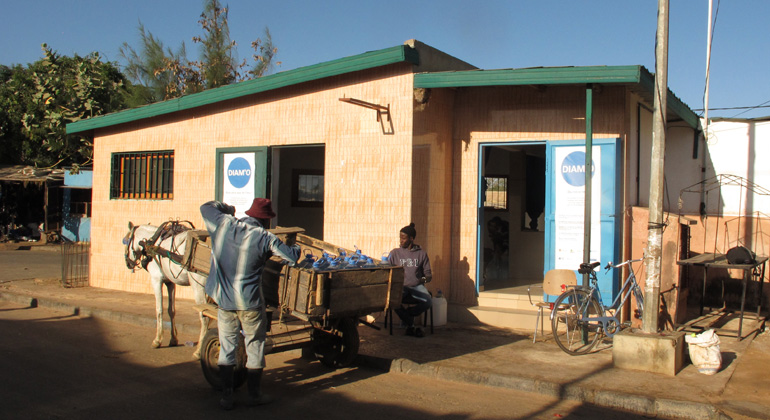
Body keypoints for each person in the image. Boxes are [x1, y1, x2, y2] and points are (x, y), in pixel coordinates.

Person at [200, 198, 300, 410]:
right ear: (265, 221)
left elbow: (205, 207)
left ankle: (227, 397)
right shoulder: (265, 237)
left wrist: (227, 209)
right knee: (254, 346)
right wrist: (297, 248)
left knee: (228, 346)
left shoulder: (224, 223)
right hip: (250, 303)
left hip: (225, 301)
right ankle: (254, 394)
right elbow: (291, 257)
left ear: (249, 214)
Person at [389, 222, 432, 338]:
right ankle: (410, 323)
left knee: (428, 301)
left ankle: (407, 316)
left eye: (403, 238)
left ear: (411, 239)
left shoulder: (421, 254)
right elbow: (387, 270)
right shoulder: (394, 253)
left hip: (416, 286)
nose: (401, 241)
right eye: (400, 238)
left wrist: (421, 279)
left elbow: (428, 275)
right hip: (401, 287)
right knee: (392, 301)